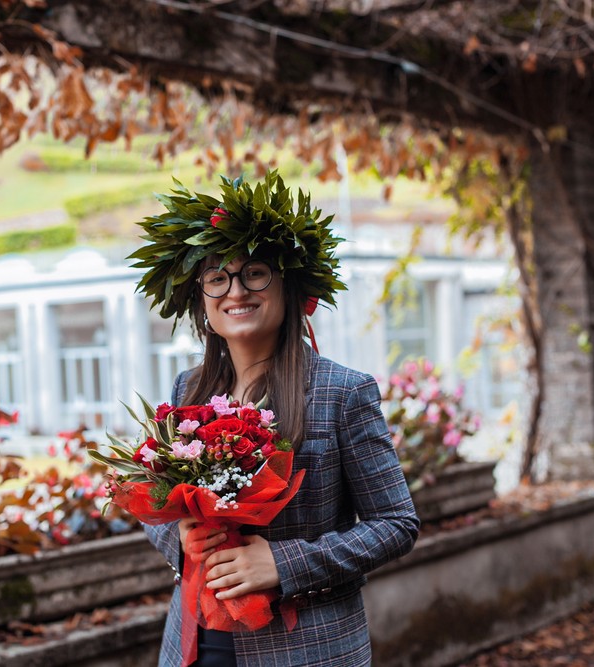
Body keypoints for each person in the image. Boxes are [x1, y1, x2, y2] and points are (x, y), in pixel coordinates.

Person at [129, 170, 420, 666]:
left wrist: (283, 563)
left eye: (255, 272)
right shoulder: (186, 389)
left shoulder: (342, 392)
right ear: (201, 298)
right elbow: (157, 500)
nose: (235, 291)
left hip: (304, 647)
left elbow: (396, 524)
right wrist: (178, 535)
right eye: (217, 278)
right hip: (196, 640)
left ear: (289, 285)